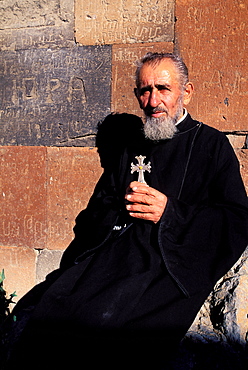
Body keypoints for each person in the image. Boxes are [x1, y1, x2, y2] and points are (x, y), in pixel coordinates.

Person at [1, 52, 248, 370]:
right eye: (144, 91)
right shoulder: (131, 146)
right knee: (50, 305)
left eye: (163, 88)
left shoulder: (211, 146)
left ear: (186, 92)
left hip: (166, 261)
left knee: (108, 324)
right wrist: (118, 206)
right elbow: (95, 211)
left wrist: (169, 213)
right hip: (114, 254)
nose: (153, 100)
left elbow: (236, 218)